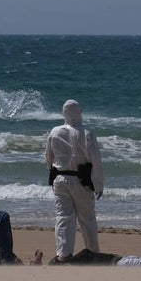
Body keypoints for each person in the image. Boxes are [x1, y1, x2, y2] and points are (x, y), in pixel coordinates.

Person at [45, 99, 104, 262]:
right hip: (81, 180)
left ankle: (63, 255)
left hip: (60, 179)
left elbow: (48, 158)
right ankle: (93, 254)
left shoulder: (55, 131)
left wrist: (52, 171)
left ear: (64, 113)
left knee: (63, 217)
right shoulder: (87, 133)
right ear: (79, 112)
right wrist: (98, 184)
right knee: (87, 219)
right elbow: (96, 161)